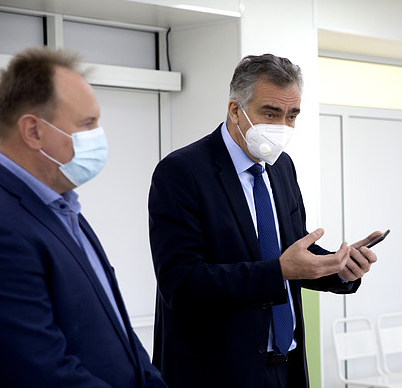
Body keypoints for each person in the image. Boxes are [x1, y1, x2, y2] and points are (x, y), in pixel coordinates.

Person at [148, 53, 379, 388]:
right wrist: (278, 271)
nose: (282, 127)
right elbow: (181, 284)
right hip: (217, 373)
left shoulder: (282, 167)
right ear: (235, 110)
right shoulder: (182, 171)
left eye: (292, 115)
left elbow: (292, 253)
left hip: (286, 367)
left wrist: (338, 268)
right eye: (270, 114)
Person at [0, 47, 167, 388]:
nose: (98, 135)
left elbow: (120, 334)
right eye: (87, 124)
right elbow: (39, 372)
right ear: (33, 131)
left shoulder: (62, 206)